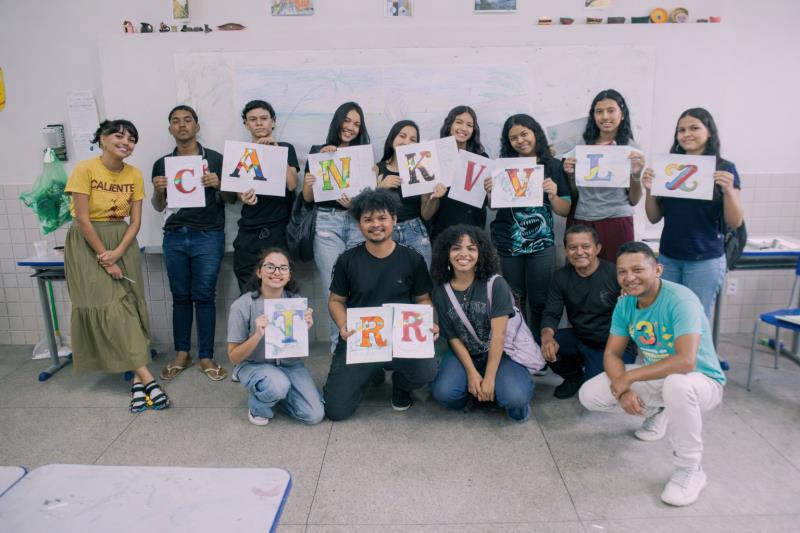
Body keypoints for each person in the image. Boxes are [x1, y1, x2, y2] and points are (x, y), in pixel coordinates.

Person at [579, 242, 726, 507]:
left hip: (701, 381)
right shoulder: (625, 304)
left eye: (637, 269)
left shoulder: (680, 300)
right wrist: (623, 390)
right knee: (590, 394)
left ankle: (690, 468)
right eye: (622, 272)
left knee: (677, 386)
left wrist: (628, 379)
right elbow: (612, 354)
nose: (629, 278)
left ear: (657, 270)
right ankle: (660, 410)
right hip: (661, 378)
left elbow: (686, 361)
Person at [64, 119, 169, 412]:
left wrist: (119, 251)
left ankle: (137, 382)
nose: (126, 142)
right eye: (119, 136)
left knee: (130, 306)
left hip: (122, 239)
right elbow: (82, 219)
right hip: (88, 242)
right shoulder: (84, 169)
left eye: (132, 139)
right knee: (111, 309)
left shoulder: (134, 174)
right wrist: (105, 257)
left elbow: (135, 221)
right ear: (103, 138)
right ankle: (148, 379)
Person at [323, 189, 438, 420]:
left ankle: (400, 383)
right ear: (359, 224)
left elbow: (423, 299)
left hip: (402, 341)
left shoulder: (412, 258)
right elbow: (335, 300)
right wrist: (344, 324)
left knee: (427, 370)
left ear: (394, 220)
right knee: (336, 411)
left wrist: (428, 323)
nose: (376, 224)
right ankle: (370, 371)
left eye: (382, 218)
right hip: (361, 341)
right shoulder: (347, 260)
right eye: (368, 219)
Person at [151, 105, 230, 382]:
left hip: (208, 235)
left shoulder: (215, 159)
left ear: (197, 126)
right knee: (180, 296)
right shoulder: (162, 164)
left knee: (205, 296)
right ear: (170, 129)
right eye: (176, 121)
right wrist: (158, 191)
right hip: (174, 235)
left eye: (187, 120)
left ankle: (206, 355)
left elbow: (231, 199)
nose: (182, 125)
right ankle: (182, 353)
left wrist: (219, 184)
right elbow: (158, 205)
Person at [642, 108, 744, 320]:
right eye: (681, 130)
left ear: (710, 132)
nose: (686, 134)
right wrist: (649, 190)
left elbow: (735, 222)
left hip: (704, 260)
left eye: (694, 128)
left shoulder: (724, 168)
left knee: (694, 321)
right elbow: (653, 217)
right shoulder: (669, 168)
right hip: (669, 256)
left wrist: (728, 191)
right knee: (667, 318)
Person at [429, 225, 533, 422]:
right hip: (466, 353)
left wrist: (490, 378)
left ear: (481, 253)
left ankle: (511, 400)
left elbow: (499, 336)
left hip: (502, 354)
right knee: (444, 392)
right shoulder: (441, 291)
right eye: (456, 248)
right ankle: (473, 395)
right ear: (446, 254)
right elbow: (453, 337)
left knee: (515, 397)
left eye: (471, 248)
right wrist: (471, 373)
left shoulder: (495, 284)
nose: (464, 254)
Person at [488, 114, 571, 341]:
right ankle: (520, 346)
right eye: (513, 138)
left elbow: (564, 210)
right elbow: (494, 206)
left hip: (541, 244)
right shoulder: (503, 166)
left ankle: (539, 346)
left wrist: (553, 195)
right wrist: (490, 191)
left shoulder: (553, 165)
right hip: (508, 243)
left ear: (536, 133)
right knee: (514, 301)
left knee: (540, 300)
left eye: (524, 134)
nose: (520, 140)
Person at [302, 102, 371, 352]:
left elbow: (369, 198)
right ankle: (338, 351)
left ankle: (362, 349)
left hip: (356, 223)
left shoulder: (363, 155)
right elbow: (308, 197)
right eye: (347, 120)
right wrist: (311, 178)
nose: (351, 127)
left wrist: (355, 204)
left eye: (357, 124)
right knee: (333, 289)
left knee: (360, 286)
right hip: (326, 222)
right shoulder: (317, 151)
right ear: (338, 121)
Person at [227, 248, 325, 426]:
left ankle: (276, 395)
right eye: (270, 267)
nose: (276, 272)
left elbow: (294, 349)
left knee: (314, 415)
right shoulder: (242, 305)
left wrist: (303, 329)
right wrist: (256, 336)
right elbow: (234, 357)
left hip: (289, 365)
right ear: (259, 272)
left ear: (289, 275)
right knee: (277, 385)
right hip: (254, 365)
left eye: (283, 268)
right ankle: (258, 405)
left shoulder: (295, 302)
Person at [540, 225, 636, 399]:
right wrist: (546, 337)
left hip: (613, 344)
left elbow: (639, 311)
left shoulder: (615, 274)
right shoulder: (560, 277)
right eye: (573, 247)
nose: (579, 252)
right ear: (566, 251)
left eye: (585, 246)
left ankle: (592, 373)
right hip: (581, 337)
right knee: (541, 344)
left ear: (597, 248)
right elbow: (551, 313)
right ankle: (574, 376)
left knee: (598, 391)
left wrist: (631, 299)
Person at [562, 89, 646, 261]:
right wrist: (570, 175)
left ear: (622, 114)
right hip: (584, 219)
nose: (605, 116)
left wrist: (636, 174)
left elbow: (634, 200)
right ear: (593, 116)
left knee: (618, 271)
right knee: (583, 271)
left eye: (611, 110)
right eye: (599, 111)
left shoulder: (631, 148)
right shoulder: (580, 146)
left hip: (618, 219)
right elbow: (576, 194)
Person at [233, 100, 300, 293]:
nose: (259, 123)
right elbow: (237, 192)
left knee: (280, 290)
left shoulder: (285, 148)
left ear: (273, 122)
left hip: (279, 229)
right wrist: (243, 197)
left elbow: (292, 184)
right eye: (253, 119)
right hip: (249, 230)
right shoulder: (240, 152)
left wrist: (276, 151)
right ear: (246, 124)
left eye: (264, 118)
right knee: (248, 291)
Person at [375, 119, 442, 266]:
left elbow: (426, 214)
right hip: (385, 232)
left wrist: (434, 198)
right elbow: (365, 210)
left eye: (413, 139)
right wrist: (380, 187)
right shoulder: (377, 169)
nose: (407, 142)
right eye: (402, 136)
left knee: (421, 278)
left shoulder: (422, 170)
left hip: (415, 231)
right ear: (392, 139)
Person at [429, 106, 490, 241]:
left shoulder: (482, 158)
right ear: (449, 125)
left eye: (469, 125)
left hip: (474, 229)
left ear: (474, 130)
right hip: (443, 228)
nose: (464, 128)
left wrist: (491, 189)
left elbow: (488, 202)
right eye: (459, 122)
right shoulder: (434, 155)